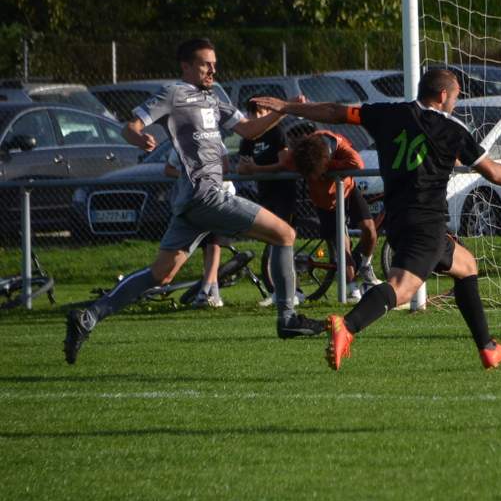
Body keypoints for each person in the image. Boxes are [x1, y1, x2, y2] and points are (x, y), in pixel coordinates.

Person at [251, 68, 501, 371]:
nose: (456, 101)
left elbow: (334, 111)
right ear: (443, 96)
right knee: (401, 288)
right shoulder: (452, 130)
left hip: (400, 219)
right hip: (427, 223)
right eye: (456, 95)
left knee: (467, 266)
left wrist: (287, 107)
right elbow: (493, 172)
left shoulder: (388, 114)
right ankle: (347, 326)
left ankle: (488, 348)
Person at [63, 38, 325, 364]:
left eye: (214, 63)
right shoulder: (173, 93)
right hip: (207, 195)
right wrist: (136, 137)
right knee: (285, 234)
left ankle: (88, 317)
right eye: (205, 64)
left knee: (161, 275)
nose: (212, 69)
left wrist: (283, 109)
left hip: (191, 204)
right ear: (185, 66)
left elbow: (248, 130)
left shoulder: (214, 98)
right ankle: (287, 318)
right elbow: (131, 126)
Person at [284, 128, 381, 299]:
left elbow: (357, 163)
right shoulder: (302, 153)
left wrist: (331, 167)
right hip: (325, 203)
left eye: (317, 173)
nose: (315, 177)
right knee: (343, 247)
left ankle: (366, 266)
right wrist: (253, 168)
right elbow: (285, 163)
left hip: (348, 191)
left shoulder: (337, 143)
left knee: (370, 230)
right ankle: (352, 290)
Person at [235, 99, 303, 306]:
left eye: (260, 112)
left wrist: (256, 169)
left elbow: (283, 163)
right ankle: (279, 291)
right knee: (272, 243)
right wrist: (247, 169)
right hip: (265, 194)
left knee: (282, 240)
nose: (256, 116)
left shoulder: (276, 132)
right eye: (252, 112)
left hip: (284, 193)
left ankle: (293, 292)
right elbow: (241, 167)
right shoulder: (248, 138)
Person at [165, 147, 231, 308]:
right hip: (193, 200)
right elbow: (168, 169)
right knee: (204, 246)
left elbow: (226, 167)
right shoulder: (180, 144)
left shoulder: (215, 141)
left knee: (214, 244)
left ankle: (206, 291)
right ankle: (212, 293)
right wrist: (188, 176)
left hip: (216, 196)